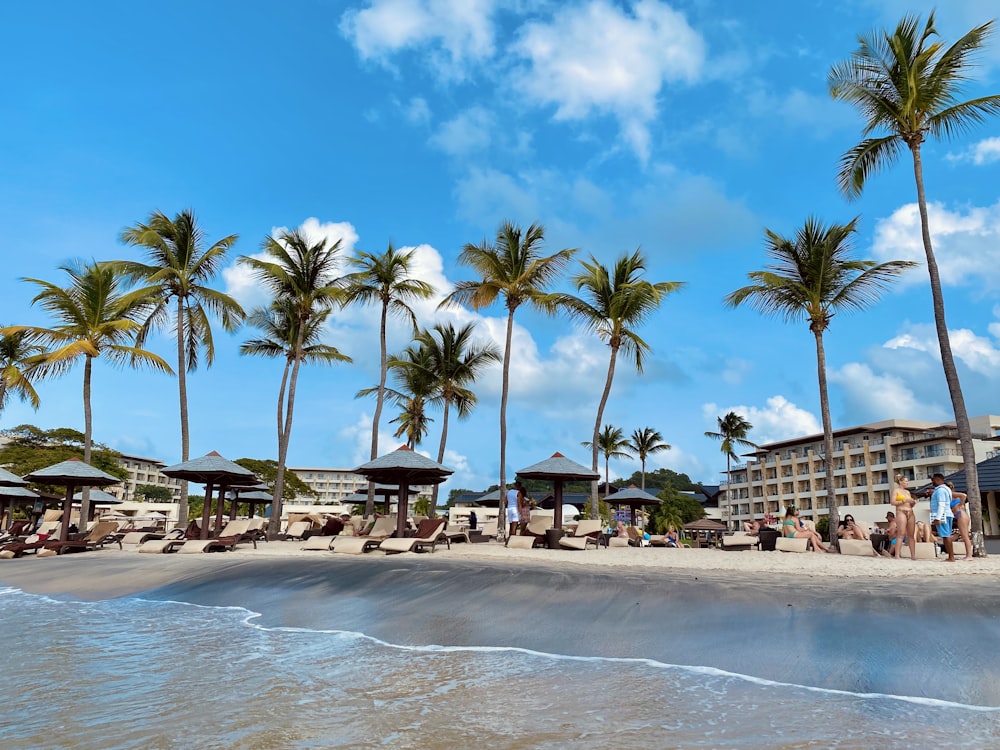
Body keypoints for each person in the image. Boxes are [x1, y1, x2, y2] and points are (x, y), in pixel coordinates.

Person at [929, 473, 955, 562]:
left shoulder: (940, 491)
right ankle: (951, 556)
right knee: (946, 535)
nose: (932, 482)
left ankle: (951, 557)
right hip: (948, 513)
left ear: (937, 480)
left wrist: (938, 518)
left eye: (933, 480)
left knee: (945, 535)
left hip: (942, 515)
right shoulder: (947, 489)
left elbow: (941, 504)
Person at [892, 475, 917, 560]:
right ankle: (897, 554)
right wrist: (904, 501)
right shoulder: (896, 491)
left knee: (911, 534)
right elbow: (893, 502)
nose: (907, 483)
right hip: (901, 511)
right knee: (901, 533)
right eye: (905, 481)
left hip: (910, 511)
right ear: (900, 482)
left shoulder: (907, 492)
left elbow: (909, 504)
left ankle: (913, 555)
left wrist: (912, 503)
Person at [947, 482, 973, 561]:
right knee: (963, 535)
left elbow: (964, 495)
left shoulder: (952, 494)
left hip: (960, 514)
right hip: (960, 515)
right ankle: (968, 555)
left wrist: (961, 504)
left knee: (965, 536)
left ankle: (969, 556)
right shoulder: (949, 496)